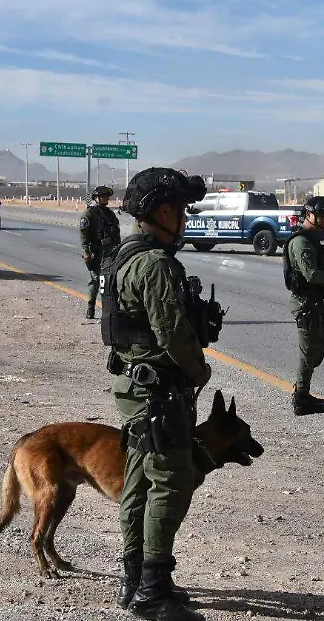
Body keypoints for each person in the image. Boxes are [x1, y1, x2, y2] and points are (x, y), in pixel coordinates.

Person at [100, 167, 212, 621]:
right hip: (158, 392)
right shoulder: (155, 264)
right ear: (164, 212)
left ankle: (137, 580)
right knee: (171, 481)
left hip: (135, 386)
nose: (184, 219)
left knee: (139, 482)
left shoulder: (123, 255)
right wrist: (199, 370)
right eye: (181, 210)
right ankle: (152, 592)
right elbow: (172, 333)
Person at [282, 196, 324, 416]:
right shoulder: (301, 242)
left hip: (314, 302)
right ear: (309, 216)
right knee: (308, 353)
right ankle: (301, 398)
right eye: (321, 217)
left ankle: (302, 389)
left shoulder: (312, 242)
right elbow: (311, 274)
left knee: (316, 352)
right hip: (305, 304)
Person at [81, 185, 122, 319]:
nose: (106, 199)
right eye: (103, 196)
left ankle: (110, 309)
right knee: (96, 280)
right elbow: (84, 235)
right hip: (96, 252)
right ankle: (90, 307)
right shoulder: (89, 214)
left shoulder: (110, 214)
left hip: (110, 252)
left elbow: (116, 232)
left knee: (111, 280)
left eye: (107, 196)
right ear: (96, 198)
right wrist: (87, 252)